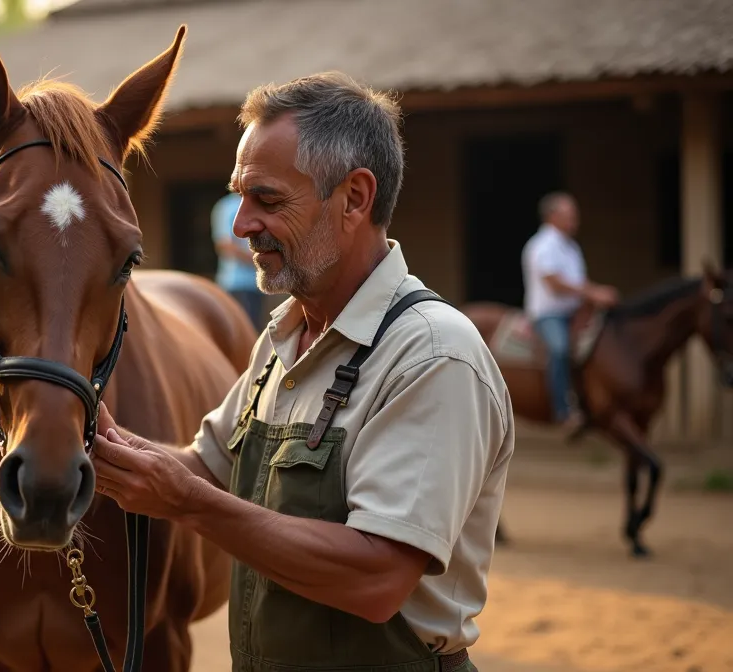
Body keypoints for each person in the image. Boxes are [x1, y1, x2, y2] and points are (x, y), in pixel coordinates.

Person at [91, 72, 514, 671]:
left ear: (356, 198)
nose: (240, 227)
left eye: (267, 200)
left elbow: (376, 577)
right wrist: (93, 434)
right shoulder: (285, 338)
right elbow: (207, 469)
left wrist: (187, 505)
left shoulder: (432, 356)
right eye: (239, 197)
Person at [520, 191, 618, 429]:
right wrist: (594, 293)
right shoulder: (542, 245)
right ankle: (562, 409)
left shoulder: (570, 246)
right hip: (548, 314)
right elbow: (554, 282)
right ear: (552, 216)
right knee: (560, 348)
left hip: (574, 312)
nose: (576, 219)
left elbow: (575, 281)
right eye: (570, 214)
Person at [213, 191, 265, 330]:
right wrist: (257, 260)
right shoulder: (227, 206)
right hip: (236, 283)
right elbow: (225, 245)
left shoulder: (259, 205)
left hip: (256, 284)